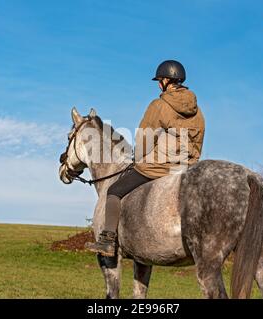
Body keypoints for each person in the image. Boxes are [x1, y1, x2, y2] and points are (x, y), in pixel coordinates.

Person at [85, 60, 205, 257]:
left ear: (167, 81)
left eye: (160, 80)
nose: (159, 84)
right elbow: (199, 140)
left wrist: (139, 160)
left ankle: (107, 240)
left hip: (159, 165)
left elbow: (144, 136)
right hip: (188, 164)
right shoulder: (197, 110)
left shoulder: (159, 104)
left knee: (114, 190)